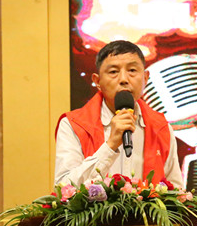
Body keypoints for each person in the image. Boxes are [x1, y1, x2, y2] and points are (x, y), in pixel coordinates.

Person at [54, 40, 184, 189]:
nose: (123, 79)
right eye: (113, 72)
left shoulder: (162, 128)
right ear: (97, 81)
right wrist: (110, 145)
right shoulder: (73, 125)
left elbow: (176, 191)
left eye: (132, 70)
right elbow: (63, 188)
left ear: (145, 78)